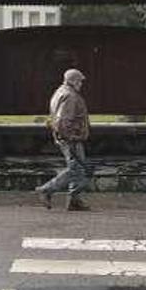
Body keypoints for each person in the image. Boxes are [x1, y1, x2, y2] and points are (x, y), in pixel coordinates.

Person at [35, 68, 92, 211]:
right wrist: (70, 137)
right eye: (79, 81)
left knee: (77, 168)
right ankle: (46, 190)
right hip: (71, 138)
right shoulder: (70, 96)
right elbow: (63, 121)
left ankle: (74, 200)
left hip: (66, 137)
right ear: (73, 81)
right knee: (76, 169)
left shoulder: (60, 91)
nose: (81, 84)